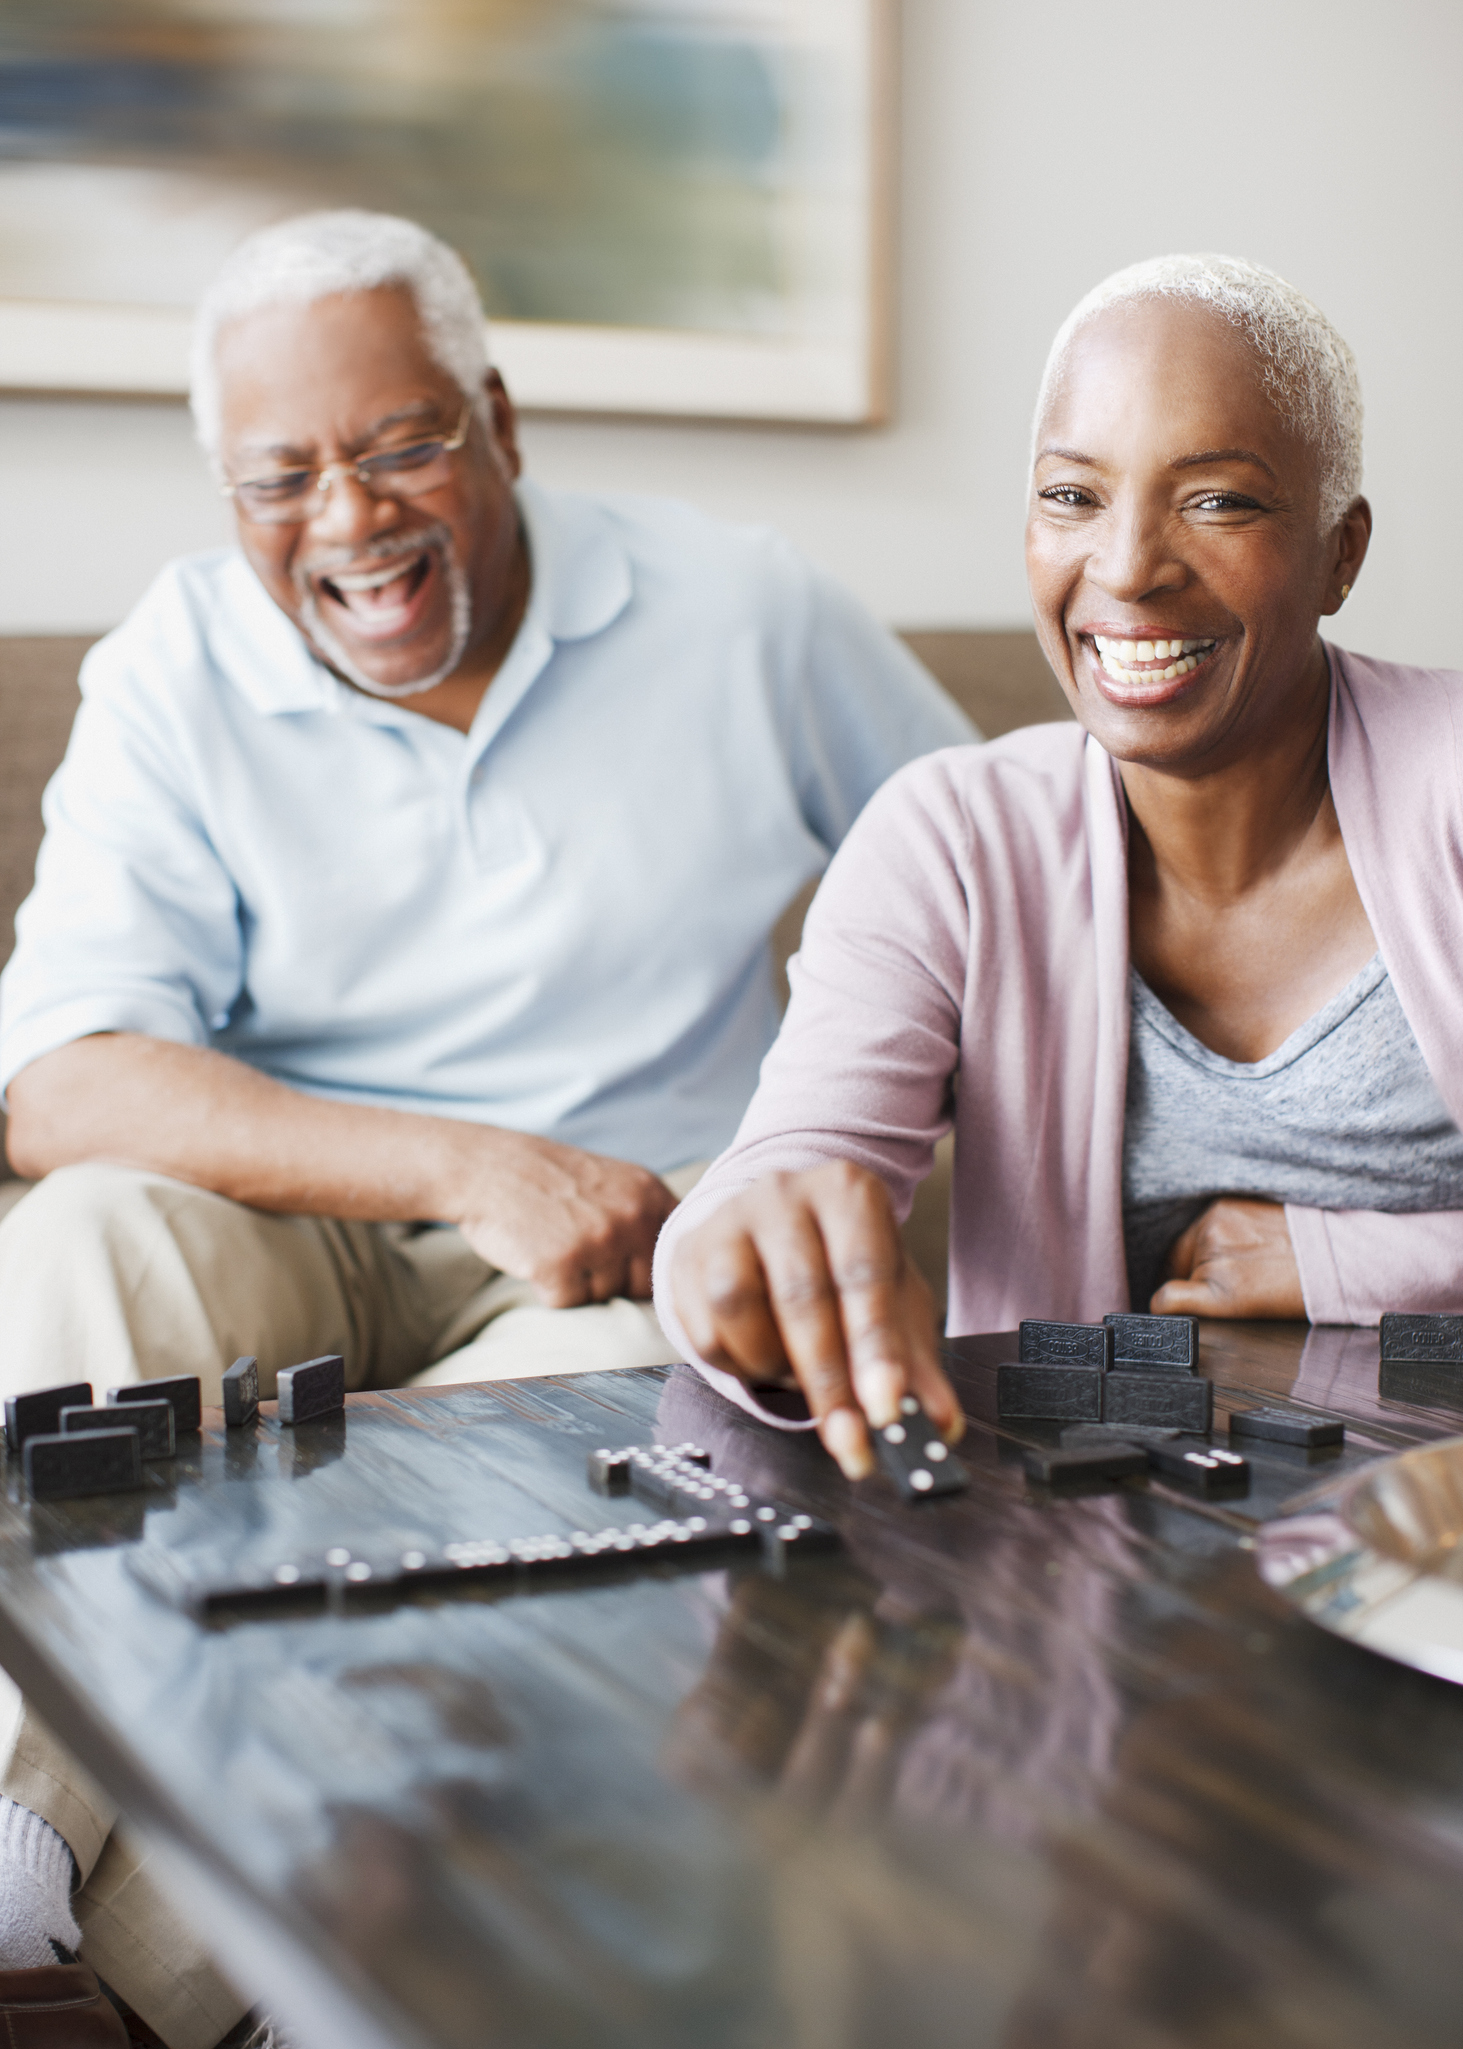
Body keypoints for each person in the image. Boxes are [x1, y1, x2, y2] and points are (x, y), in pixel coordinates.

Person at [0, 210, 972, 2047]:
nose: (349, 517)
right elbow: (58, 1078)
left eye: (400, 444)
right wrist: (465, 1162)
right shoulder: (175, 668)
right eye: (279, 475)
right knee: (89, 1234)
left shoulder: (742, 609)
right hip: (289, 1230)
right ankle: (14, 1858)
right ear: (229, 497)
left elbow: (988, 878)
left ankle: (294, 1965)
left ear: (500, 420)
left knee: (620, 1388)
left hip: (619, 1247)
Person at [657, 252, 1463, 1486]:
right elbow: (792, 1159)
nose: (1128, 566)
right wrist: (725, 1256)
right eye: (1071, 497)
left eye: (1217, 502)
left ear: (1338, 552)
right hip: (1088, 1569)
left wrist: (1346, 1264)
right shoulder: (950, 835)